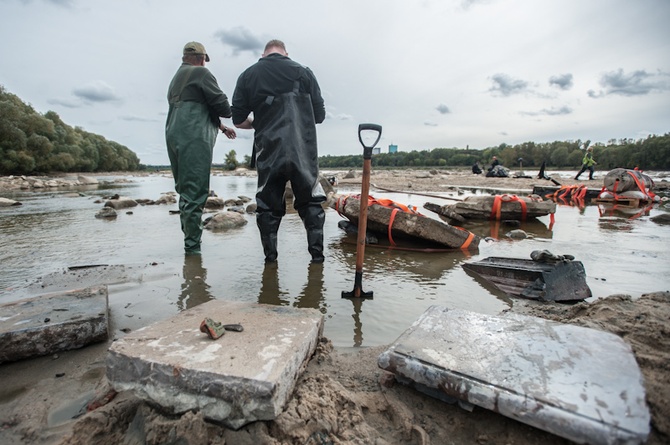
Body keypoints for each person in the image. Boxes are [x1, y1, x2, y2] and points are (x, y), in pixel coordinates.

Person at [231, 39, 326, 264]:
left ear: (263, 55)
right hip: (302, 149)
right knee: (311, 203)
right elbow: (319, 116)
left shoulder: (248, 76)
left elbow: (237, 120)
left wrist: (260, 121)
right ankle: (317, 262)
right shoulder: (304, 73)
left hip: (269, 151)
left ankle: (270, 262)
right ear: (286, 53)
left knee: (267, 208)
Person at [166, 41, 236, 255]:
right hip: (193, 137)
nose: (205, 63)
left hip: (174, 134)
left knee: (185, 192)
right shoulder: (201, 74)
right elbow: (224, 107)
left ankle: (189, 242)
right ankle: (193, 251)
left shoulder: (176, 78)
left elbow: (195, 106)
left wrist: (222, 128)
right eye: (205, 59)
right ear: (200, 58)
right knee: (196, 191)